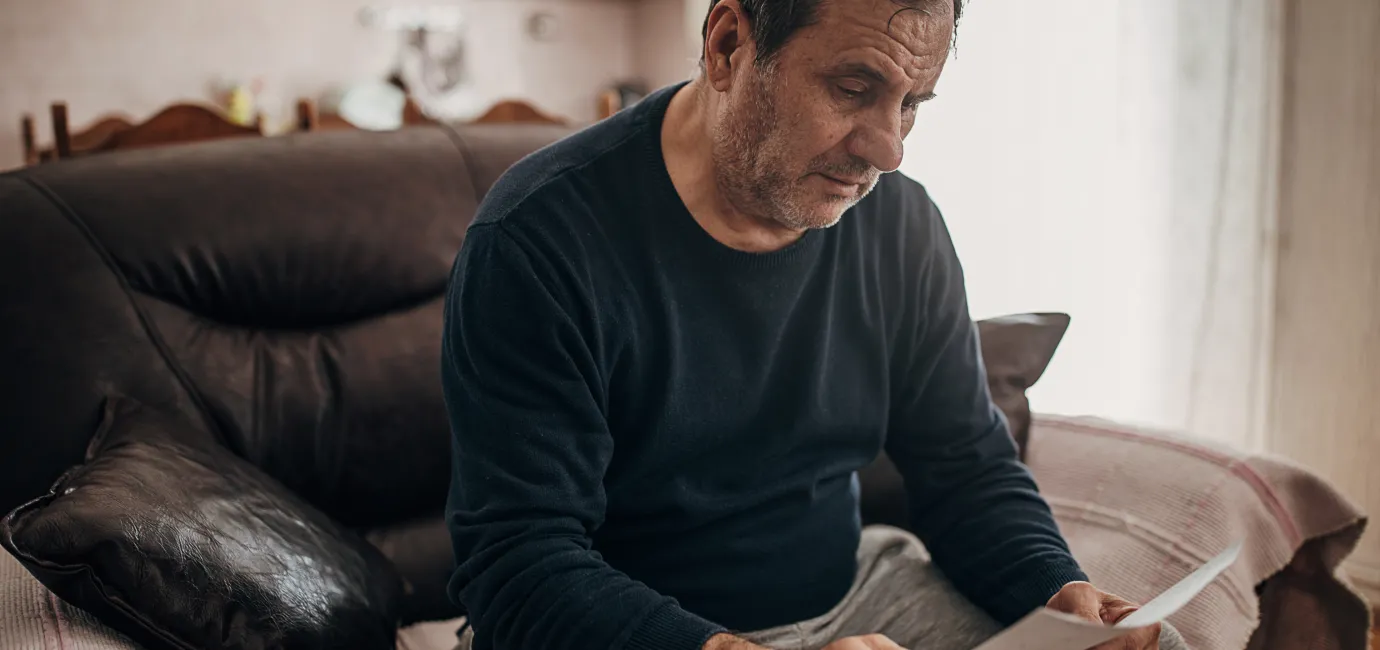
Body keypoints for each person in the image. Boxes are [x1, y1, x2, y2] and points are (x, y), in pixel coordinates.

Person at [440, 0, 1188, 648]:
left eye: (913, 104)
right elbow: (519, 562)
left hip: (856, 593)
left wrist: (1055, 591)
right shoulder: (538, 240)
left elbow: (965, 467)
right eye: (854, 88)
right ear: (729, 44)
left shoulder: (902, 225)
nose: (888, 150)